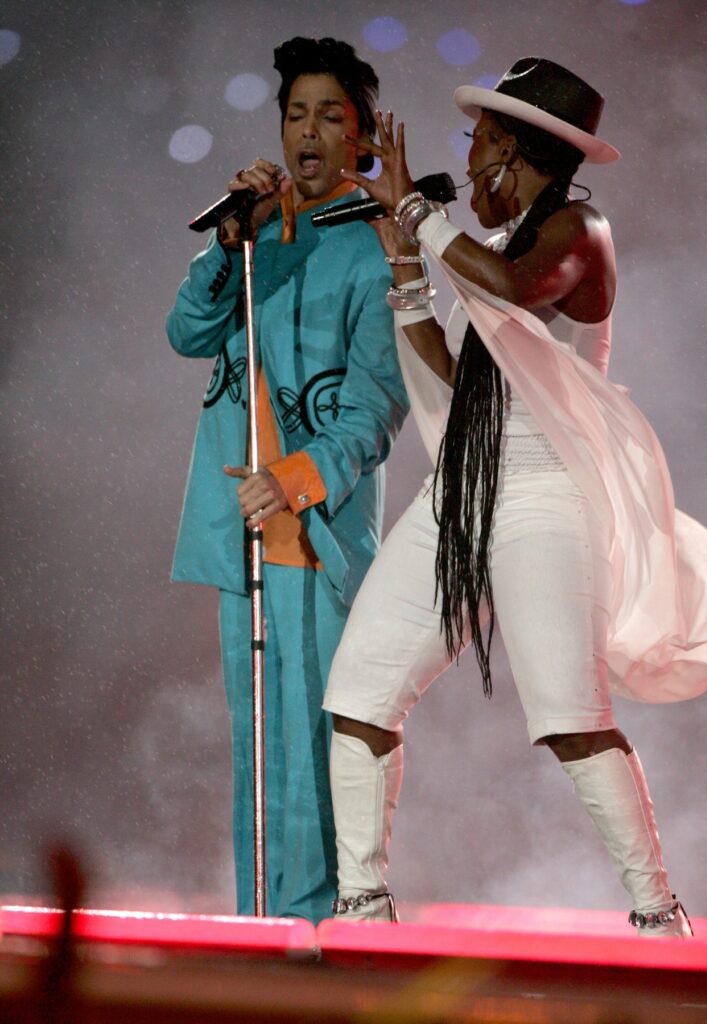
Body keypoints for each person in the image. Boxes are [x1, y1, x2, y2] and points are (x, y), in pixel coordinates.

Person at [322, 57, 707, 933]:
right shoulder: (492, 247)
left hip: (545, 492)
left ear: (511, 151)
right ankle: (362, 905)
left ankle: (659, 916)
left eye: (477, 149)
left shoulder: (580, 230)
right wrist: (406, 268)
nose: (466, 170)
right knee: (358, 696)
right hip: (465, 489)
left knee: (569, 718)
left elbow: (516, 289)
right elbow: (458, 375)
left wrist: (418, 215)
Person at [166, 36, 408, 923]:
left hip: (315, 534)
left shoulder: (372, 247)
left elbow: (380, 405)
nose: (308, 130)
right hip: (240, 535)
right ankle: (258, 930)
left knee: (311, 749)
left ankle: (316, 936)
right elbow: (187, 333)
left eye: (328, 115)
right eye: (295, 113)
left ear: (361, 136)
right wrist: (229, 242)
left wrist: (298, 478)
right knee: (257, 752)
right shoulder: (254, 235)